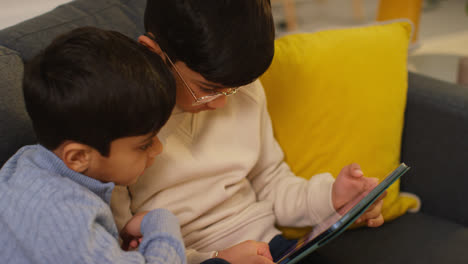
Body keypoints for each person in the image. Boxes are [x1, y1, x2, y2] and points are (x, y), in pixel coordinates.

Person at [110, 1, 386, 263]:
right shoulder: (121, 128)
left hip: (270, 247)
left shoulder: (244, 90)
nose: (222, 103)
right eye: (207, 89)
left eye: (234, 88)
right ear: (154, 51)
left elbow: (270, 182)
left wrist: (332, 198)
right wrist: (219, 260)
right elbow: (124, 242)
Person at [0, 26, 273, 264]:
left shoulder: (26, 166)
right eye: (144, 145)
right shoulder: (67, 217)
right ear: (78, 157)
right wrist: (160, 222)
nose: (158, 150)